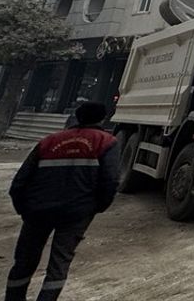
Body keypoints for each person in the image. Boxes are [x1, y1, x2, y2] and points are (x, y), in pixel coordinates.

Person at [7, 101, 120, 301]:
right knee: (59, 264)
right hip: (76, 214)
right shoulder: (106, 142)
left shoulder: (49, 142)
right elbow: (110, 181)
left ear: (77, 116)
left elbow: (20, 182)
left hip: (38, 211)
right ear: (103, 118)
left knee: (24, 260)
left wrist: (25, 209)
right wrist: (94, 208)